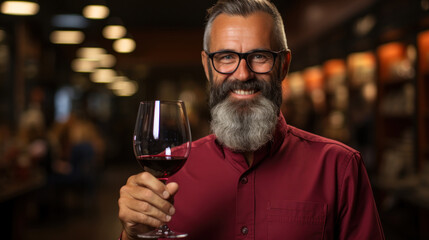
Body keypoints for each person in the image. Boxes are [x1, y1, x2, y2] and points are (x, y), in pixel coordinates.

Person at [118, 0, 385, 239]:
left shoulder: (340, 168)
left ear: (283, 65)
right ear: (207, 66)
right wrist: (131, 236)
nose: (243, 74)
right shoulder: (166, 173)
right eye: (226, 57)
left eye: (259, 56)